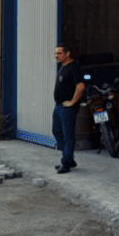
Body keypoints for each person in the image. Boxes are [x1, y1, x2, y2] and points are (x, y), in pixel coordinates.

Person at [51, 42, 85, 174]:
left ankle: (66, 163)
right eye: (55, 53)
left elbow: (80, 86)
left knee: (68, 135)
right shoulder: (62, 67)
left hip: (67, 108)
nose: (57, 56)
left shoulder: (73, 67)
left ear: (67, 54)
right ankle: (69, 158)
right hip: (58, 106)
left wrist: (72, 102)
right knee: (56, 131)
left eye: (59, 53)